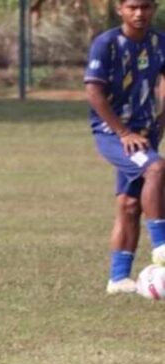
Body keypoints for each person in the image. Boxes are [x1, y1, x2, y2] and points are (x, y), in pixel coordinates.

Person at [85, 0, 165, 294]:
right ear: (120, 8)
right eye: (132, 7)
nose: (139, 13)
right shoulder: (106, 44)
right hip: (114, 134)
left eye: (145, 7)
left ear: (154, 8)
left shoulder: (159, 42)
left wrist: (162, 118)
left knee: (129, 204)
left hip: (145, 134)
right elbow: (93, 91)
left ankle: (118, 279)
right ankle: (161, 246)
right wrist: (122, 132)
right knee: (156, 168)